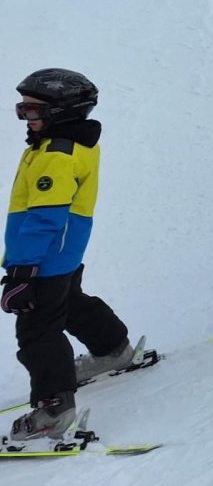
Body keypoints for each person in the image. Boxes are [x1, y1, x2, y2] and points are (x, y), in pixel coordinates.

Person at [3, 69, 138, 443]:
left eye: (32, 111)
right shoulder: (70, 144)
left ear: (62, 112)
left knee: (37, 330)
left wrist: (22, 272)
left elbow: (45, 218)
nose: (25, 118)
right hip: (62, 253)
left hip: (43, 258)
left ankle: (54, 410)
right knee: (70, 303)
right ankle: (113, 349)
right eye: (22, 110)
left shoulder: (57, 156)